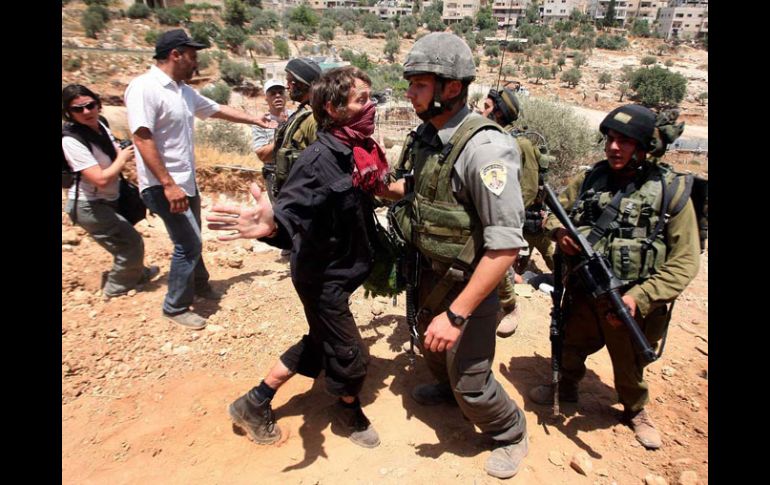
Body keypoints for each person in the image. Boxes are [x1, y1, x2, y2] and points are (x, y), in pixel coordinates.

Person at [206, 66, 389, 449]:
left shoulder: (355, 151)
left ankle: (254, 402)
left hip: (340, 268)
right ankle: (348, 410)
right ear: (333, 109)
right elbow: (290, 215)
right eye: (360, 100)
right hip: (322, 277)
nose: (369, 107)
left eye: (370, 98)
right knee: (349, 355)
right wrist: (271, 225)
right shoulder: (316, 162)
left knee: (321, 339)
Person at [383, 32, 529, 479]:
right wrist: (377, 186)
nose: (409, 93)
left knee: (473, 382)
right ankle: (447, 390)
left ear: (450, 88)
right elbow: (420, 190)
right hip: (429, 272)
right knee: (430, 347)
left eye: (419, 84)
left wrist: (459, 314)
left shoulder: (485, 149)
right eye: (410, 83)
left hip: (469, 284)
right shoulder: (429, 136)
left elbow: (505, 247)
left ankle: (510, 431)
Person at [528, 104, 701, 450]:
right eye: (610, 138)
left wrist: (641, 297)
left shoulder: (672, 191)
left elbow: (685, 262)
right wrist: (559, 232)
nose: (613, 147)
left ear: (644, 148)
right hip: (582, 291)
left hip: (630, 300)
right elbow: (550, 213)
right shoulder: (591, 178)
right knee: (571, 343)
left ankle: (635, 409)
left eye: (624, 141)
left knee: (630, 362)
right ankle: (567, 385)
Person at [124, 29, 277, 330]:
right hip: (164, 184)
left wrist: (255, 120)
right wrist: (168, 184)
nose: (196, 63)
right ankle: (176, 306)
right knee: (189, 243)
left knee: (191, 238)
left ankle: (200, 284)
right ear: (175, 55)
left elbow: (217, 109)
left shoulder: (182, 90)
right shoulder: (144, 87)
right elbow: (142, 138)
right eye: (192, 56)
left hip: (186, 181)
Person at [62, 84, 159, 298]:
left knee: (123, 240)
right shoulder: (71, 141)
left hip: (107, 200)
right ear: (69, 113)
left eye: (90, 105)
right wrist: (123, 158)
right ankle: (117, 288)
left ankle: (136, 273)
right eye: (78, 109)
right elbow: (100, 179)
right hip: (89, 204)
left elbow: (113, 151)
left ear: (98, 104)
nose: (86, 112)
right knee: (131, 242)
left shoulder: (100, 126)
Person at [482, 87, 556, 337]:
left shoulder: (520, 143)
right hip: (498, 214)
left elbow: (529, 187)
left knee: (554, 262)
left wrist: (505, 212)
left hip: (524, 218)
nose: (481, 110)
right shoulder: (486, 138)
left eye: (487, 107)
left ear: (500, 114)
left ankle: (511, 307)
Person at [262, 57, 322, 202]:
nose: (287, 86)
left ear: (301, 84)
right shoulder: (301, 114)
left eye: (290, 81)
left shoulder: (313, 118)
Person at [251, 79, 293, 163]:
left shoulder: (296, 116)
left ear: (285, 96)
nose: (277, 96)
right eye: (273, 93)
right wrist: (283, 133)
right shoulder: (261, 122)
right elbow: (263, 156)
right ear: (266, 98)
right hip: (274, 172)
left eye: (280, 92)